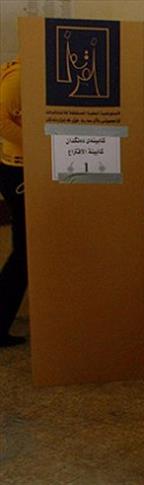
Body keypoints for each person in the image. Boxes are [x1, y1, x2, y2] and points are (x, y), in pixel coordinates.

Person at [0, 58, 27, 348]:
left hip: (27, 169)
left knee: (26, 253)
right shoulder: (19, 76)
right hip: (18, 170)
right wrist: (38, 144)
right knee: (24, 254)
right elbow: (1, 121)